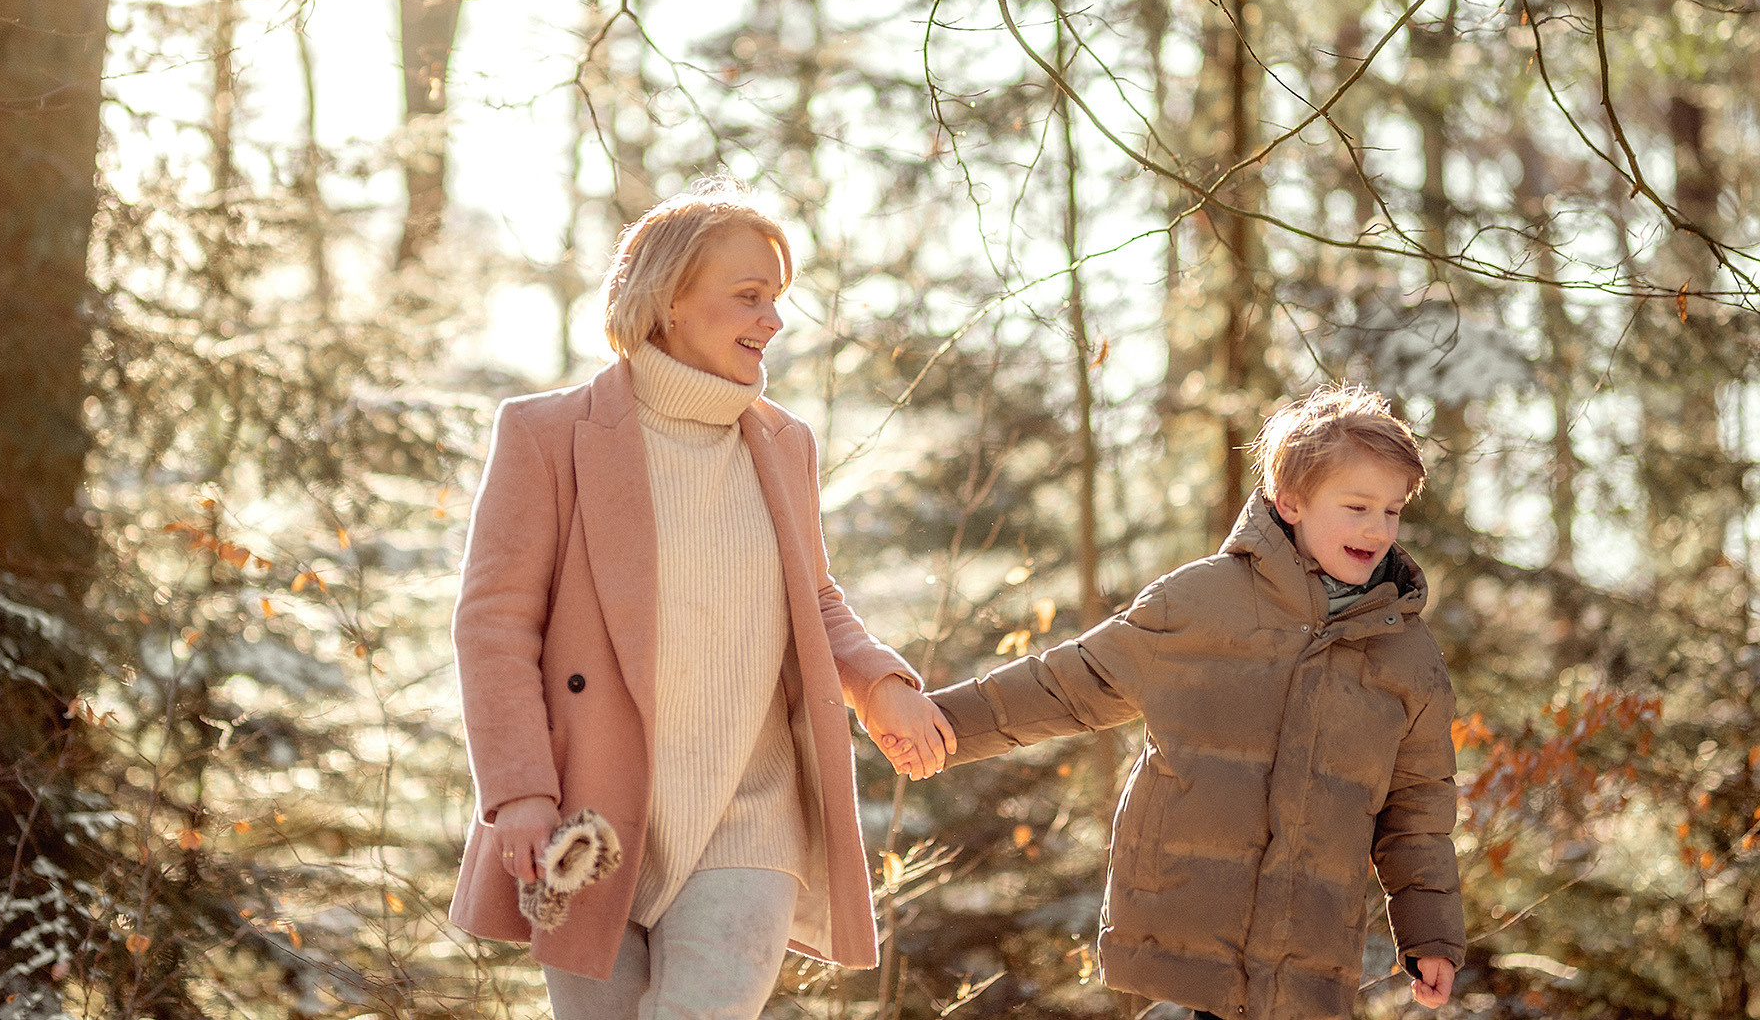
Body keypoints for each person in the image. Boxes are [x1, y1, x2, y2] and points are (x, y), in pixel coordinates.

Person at [448, 179, 954, 1020]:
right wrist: (521, 791)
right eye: (749, 295)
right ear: (669, 299)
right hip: (589, 814)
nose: (773, 320)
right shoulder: (545, 436)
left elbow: (814, 596)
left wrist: (878, 680)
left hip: (749, 813)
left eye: (776, 298)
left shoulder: (784, 442)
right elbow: (495, 627)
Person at [925, 385, 1465, 1020]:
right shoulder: (1202, 603)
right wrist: (935, 724)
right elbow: (1072, 682)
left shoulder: (1406, 654)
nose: (1378, 529)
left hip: (1307, 955)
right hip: (1183, 939)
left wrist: (1430, 935)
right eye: (1357, 507)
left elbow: (1417, 809)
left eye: (1392, 511)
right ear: (1290, 501)